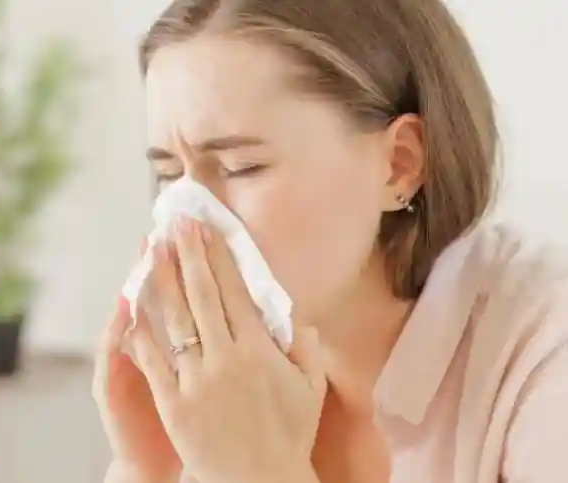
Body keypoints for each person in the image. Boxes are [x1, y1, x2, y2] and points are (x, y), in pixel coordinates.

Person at [92, 0, 568, 482]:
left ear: (400, 164)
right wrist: (149, 467)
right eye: (169, 175)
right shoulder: (232, 387)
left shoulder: (543, 351)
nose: (187, 219)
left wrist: (263, 472)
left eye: (242, 167)